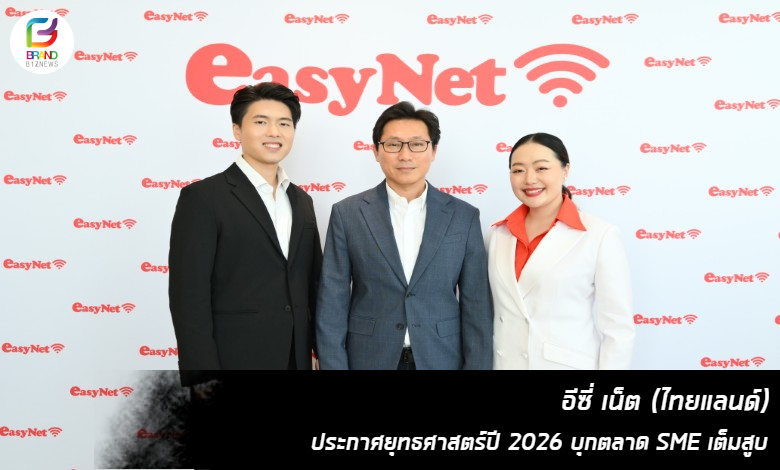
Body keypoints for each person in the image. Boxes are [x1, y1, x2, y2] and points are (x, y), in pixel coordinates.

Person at [315, 101, 493, 370]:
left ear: (433, 151)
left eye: (417, 144)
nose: (405, 155)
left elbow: (476, 306)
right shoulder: (348, 213)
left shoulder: (463, 216)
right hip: (369, 358)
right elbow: (332, 303)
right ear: (376, 151)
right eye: (393, 144)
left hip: (441, 358)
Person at [168, 81, 322, 380]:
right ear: (237, 130)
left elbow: (313, 284)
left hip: (297, 357)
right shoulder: (203, 198)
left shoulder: (302, 201)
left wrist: (320, 351)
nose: (274, 132)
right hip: (233, 359)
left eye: (284, 123)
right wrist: (203, 376)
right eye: (261, 122)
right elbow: (188, 296)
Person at [487, 132, 634, 370]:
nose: (529, 179)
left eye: (541, 168)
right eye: (518, 170)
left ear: (565, 170)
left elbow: (618, 329)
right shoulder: (497, 234)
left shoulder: (600, 235)